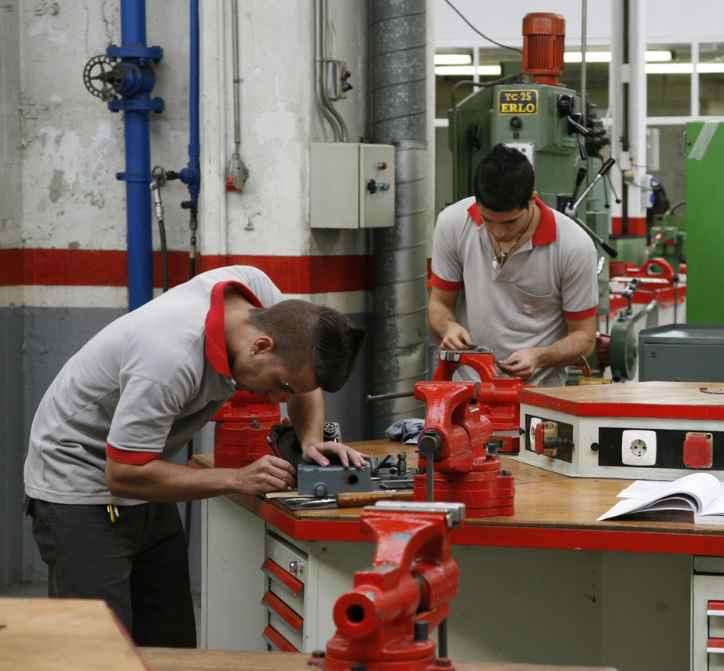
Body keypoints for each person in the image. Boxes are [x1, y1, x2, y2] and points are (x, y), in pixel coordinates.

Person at [23, 264, 366, 647]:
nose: (280, 401)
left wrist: (311, 439)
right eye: (279, 386)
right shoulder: (169, 360)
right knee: (97, 649)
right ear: (260, 346)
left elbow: (303, 380)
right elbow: (121, 473)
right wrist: (235, 479)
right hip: (80, 478)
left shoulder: (260, 297)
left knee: (171, 643)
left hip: (145, 468)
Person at [428, 143, 599, 386]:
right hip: (467, 391)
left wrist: (540, 357)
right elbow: (439, 304)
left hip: (539, 397)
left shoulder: (573, 246)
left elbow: (584, 337)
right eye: (488, 220)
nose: (497, 232)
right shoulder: (453, 224)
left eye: (509, 223)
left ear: (533, 199)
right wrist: (447, 327)